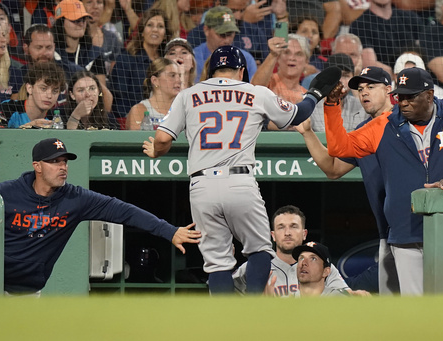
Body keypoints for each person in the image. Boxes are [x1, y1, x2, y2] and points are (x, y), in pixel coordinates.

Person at [142, 45, 336, 294]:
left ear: (211, 71)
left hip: (202, 187)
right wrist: (314, 94)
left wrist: (157, 152)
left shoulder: (188, 95)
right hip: (239, 181)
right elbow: (298, 115)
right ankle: (252, 310)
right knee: (261, 251)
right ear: (242, 70)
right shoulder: (255, 92)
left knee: (217, 263)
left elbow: (161, 139)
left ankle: (225, 323)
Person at [323, 67, 443, 295]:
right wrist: (332, 108)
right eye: (400, 96)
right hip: (404, 228)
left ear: (429, 95)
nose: (403, 102)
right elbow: (339, 147)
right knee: (415, 303)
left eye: (411, 96)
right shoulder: (384, 125)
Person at [0, 137, 201, 295]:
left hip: (28, 291)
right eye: (54, 162)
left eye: (64, 161)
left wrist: (169, 231)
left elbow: (124, 211)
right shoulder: (7, 193)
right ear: (37, 166)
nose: (62, 167)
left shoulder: (75, 199)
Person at [296, 66, 399, 295]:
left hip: (418, 228)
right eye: (361, 89)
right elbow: (333, 169)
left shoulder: (404, 122)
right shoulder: (364, 131)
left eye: (371, 87)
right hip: (388, 234)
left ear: (389, 90)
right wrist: (307, 133)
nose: (364, 93)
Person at [233, 205, 356, 297]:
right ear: (273, 235)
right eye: (281, 227)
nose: (287, 233)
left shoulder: (322, 267)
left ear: (304, 234)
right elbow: (224, 300)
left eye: (293, 226)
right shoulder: (255, 267)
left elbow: (345, 297)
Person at [109, 8, 173, 117]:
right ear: (142, 31)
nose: (155, 30)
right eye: (150, 25)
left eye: (160, 26)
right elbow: (120, 101)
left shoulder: (168, 62)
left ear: (165, 34)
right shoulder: (126, 59)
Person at [51, 0, 114, 112]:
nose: (81, 24)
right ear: (61, 23)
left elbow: (105, 97)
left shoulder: (94, 54)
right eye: (75, 20)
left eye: (83, 20)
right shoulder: (51, 53)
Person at [349, 0, 424, 75]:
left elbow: (424, 54)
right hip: (384, 82)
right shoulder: (360, 25)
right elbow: (370, 64)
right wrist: (397, 75)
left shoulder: (411, 18)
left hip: (417, 77)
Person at [185, 0, 269, 63]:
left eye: (242, 10)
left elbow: (265, 64)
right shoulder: (197, 34)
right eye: (233, 10)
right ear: (218, 4)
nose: (238, 16)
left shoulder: (255, 32)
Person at [0, 62, 65, 129]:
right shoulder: (7, 108)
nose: (49, 96)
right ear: (29, 88)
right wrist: (29, 128)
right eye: (43, 89)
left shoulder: (55, 119)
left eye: (55, 91)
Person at [192, 6, 257, 84]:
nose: (227, 40)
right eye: (222, 35)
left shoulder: (246, 58)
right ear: (206, 30)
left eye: (230, 34)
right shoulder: (194, 58)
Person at [308, 53, 366, 132]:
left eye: (345, 76)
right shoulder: (311, 106)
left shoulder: (362, 107)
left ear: (352, 78)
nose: (340, 81)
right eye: (335, 76)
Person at [126, 58, 181, 130]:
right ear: (155, 81)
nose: (179, 80)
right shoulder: (139, 110)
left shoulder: (183, 110)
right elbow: (137, 139)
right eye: (172, 75)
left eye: (179, 76)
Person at [82, 0, 123, 76]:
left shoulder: (112, 38)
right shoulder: (76, 38)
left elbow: (117, 75)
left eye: (99, 2)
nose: (95, 6)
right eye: (89, 2)